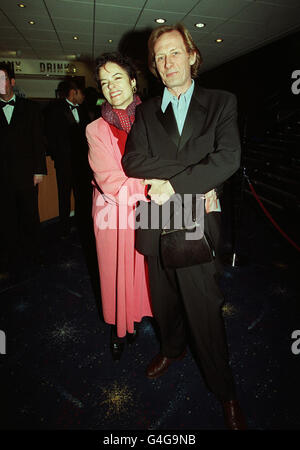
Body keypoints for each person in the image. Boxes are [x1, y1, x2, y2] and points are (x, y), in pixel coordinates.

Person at [122, 24, 246, 429]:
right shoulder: (145, 110)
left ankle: (224, 390)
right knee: (165, 300)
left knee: (204, 309)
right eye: (160, 57)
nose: (167, 62)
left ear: (192, 56)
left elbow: (228, 158)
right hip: (157, 218)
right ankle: (172, 349)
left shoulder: (221, 101)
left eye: (175, 52)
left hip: (193, 214)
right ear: (155, 67)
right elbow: (133, 162)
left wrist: (176, 183)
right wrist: (198, 174)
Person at [85, 53, 153, 360]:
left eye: (117, 78)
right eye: (104, 82)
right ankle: (118, 326)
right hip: (112, 211)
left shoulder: (153, 118)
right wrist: (156, 187)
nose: (111, 87)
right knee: (114, 272)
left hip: (145, 210)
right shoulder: (95, 129)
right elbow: (111, 181)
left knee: (140, 267)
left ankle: (136, 317)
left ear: (133, 81)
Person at [0, 62, 47, 280]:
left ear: (12, 81)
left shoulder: (30, 108)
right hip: (2, 178)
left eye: (2, 78)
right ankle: (11, 259)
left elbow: (38, 141)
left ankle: (36, 254)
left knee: (30, 216)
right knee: (6, 220)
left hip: (27, 175)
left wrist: (40, 171)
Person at [45, 79, 92, 238]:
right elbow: (50, 137)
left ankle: (82, 226)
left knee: (82, 197)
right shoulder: (55, 110)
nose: (83, 97)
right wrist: (58, 156)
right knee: (64, 196)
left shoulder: (85, 110)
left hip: (83, 164)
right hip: (64, 163)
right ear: (74, 92)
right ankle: (64, 229)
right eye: (81, 93)